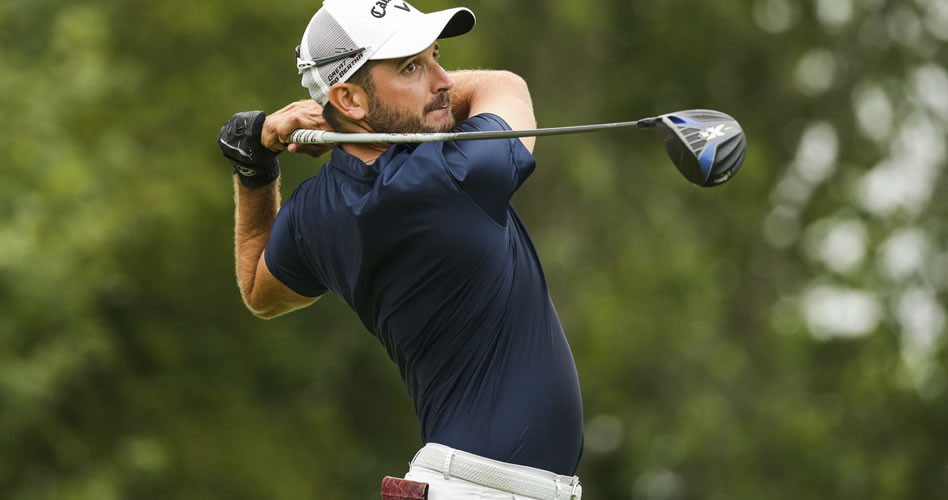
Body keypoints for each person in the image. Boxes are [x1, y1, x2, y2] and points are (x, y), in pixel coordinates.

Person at [218, 1, 583, 499]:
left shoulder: (314, 211)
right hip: (483, 488)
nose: (443, 80)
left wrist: (254, 167)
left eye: (436, 57)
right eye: (412, 67)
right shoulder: (452, 173)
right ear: (349, 99)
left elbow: (260, 291)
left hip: (465, 482)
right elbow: (504, 85)